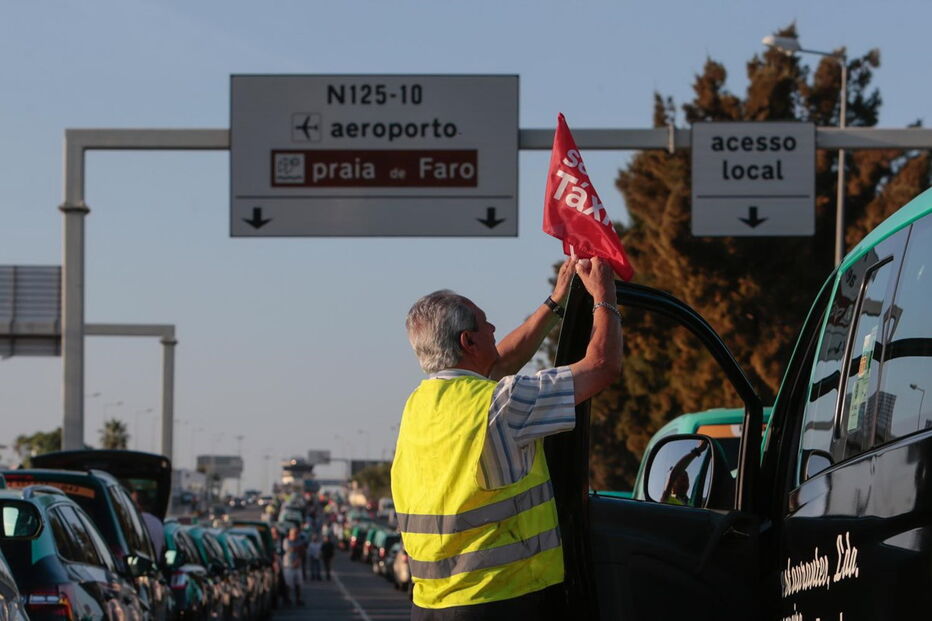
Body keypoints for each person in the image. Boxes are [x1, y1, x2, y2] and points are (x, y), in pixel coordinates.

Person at [392, 257, 623, 620]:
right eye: (487, 326)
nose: (496, 328)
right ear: (468, 341)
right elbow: (601, 366)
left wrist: (555, 303)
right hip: (501, 600)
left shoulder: (418, 405)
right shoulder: (501, 405)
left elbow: (498, 365)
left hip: (430, 605)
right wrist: (604, 296)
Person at [281, 527, 306, 605]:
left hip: (297, 565)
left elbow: (302, 551)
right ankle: (287, 599)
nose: (295, 535)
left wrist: (298, 558)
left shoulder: (299, 541)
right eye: (294, 534)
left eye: (296, 533)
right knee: (288, 584)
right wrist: (299, 548)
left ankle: (298, 599)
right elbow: (289, 549)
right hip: (288, 566)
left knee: (298, 584)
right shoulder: (286, 541)